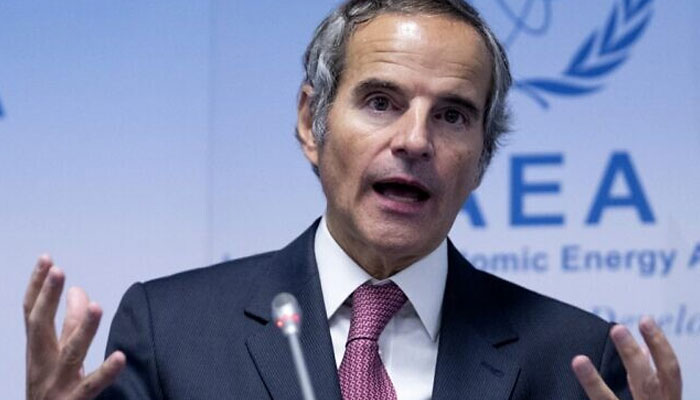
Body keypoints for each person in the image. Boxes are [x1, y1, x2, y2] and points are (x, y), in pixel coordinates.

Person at [24, 0, 683, 399]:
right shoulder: (171, 330)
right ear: (312, 121)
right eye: (380, 101)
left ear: (483, 158)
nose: (415, 140)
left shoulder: (574, 355)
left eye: (453, 116)